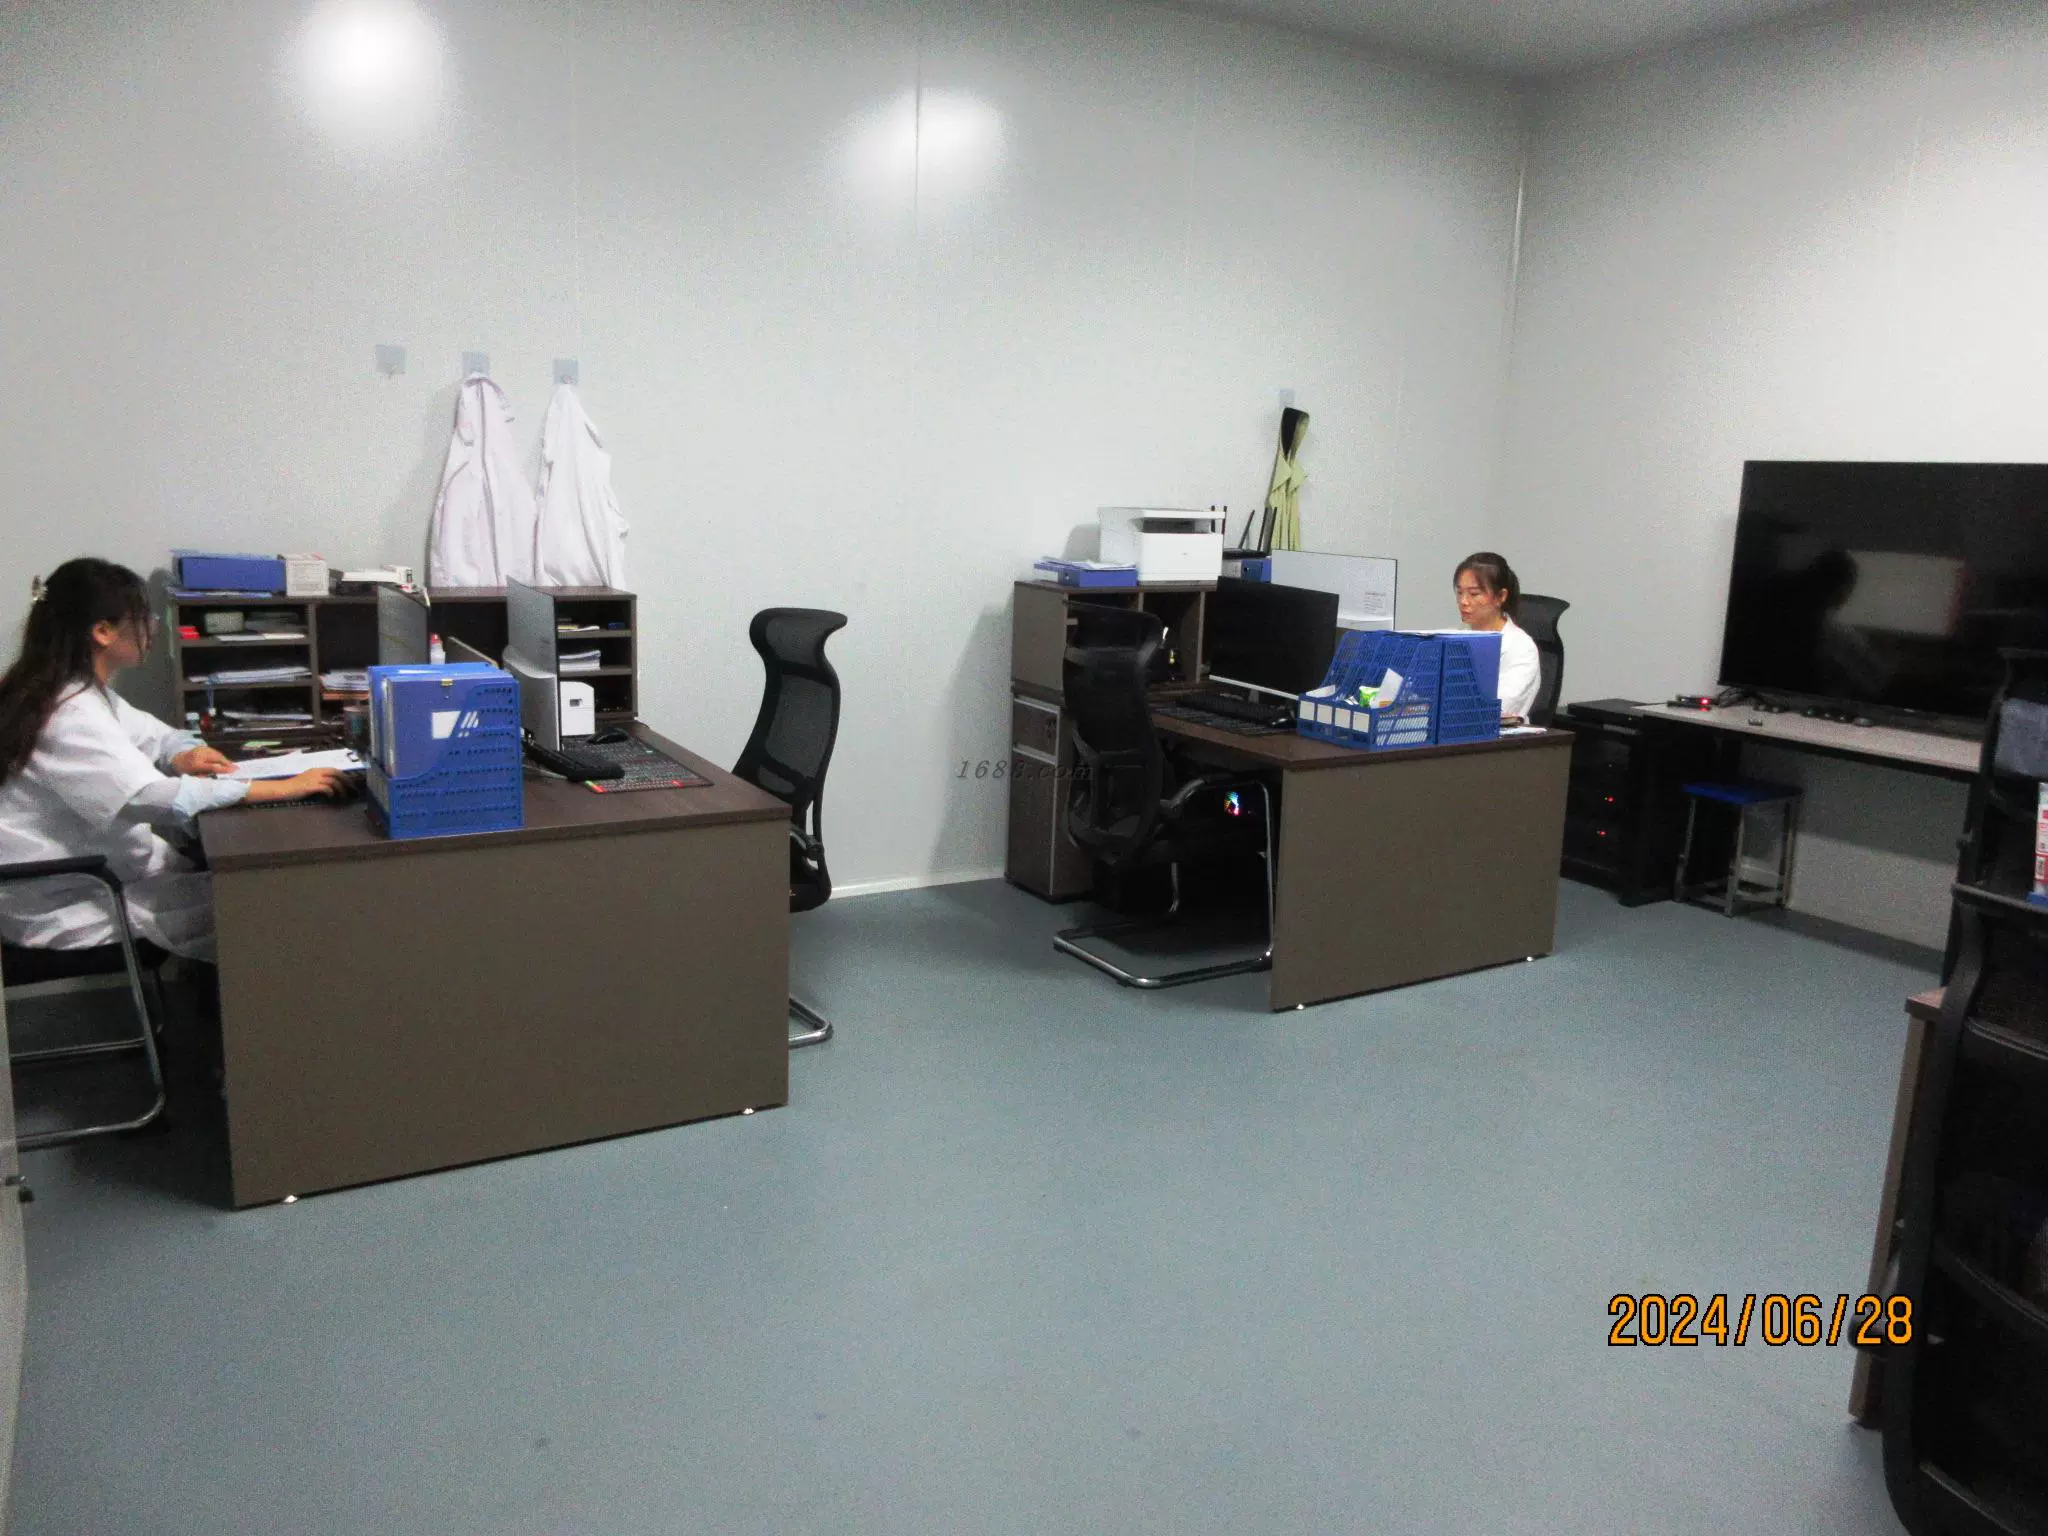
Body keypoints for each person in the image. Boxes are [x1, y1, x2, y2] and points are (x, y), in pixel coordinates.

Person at [0, 559, 345, 962]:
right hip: (71, 899)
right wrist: (281, 788)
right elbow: (153, 800)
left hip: (100, 874)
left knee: (253, 893)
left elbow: (156, 735)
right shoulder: (68, 713)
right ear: (103, 631)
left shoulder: (72, 690)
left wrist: (182, 753)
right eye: (142, 619)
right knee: (263, 907)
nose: (151, 628)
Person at [1454, 552, 1540, 722]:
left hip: (1496, 733)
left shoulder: (1520, 647)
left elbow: (1499, 706)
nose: (1463, 601)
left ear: (1501, 596)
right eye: (1459, 592)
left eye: (1474, 594)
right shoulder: (1456, 636)